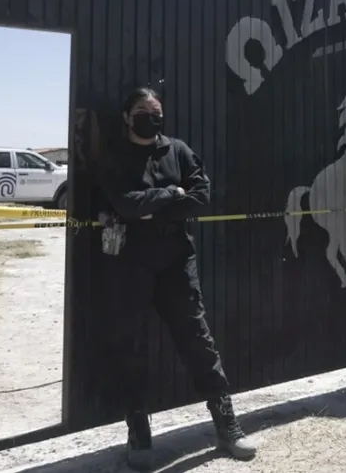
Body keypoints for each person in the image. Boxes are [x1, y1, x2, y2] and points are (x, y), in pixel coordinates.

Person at [97, 87, 259, 470]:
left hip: (176, 260)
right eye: (142, 110)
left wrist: (153, 209)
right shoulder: (115, 156)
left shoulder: (178, 151)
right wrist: (172, 193)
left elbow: (201, 196)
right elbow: (124, 204)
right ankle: (139, 431)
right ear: (127, 116)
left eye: (155, 110)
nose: (150, 116)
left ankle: (227, 425)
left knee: (199, 340)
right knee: (131, 344)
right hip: (131, 262)